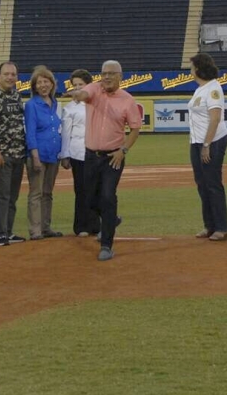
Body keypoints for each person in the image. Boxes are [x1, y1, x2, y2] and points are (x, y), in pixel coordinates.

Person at [69, 60, 141, 261]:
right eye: (104, 73)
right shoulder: (94, 89)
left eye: (111, 73)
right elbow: (85, 94)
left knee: (108, 196)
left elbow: (135, 128)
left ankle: (106, 245)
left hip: (112, 157)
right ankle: (111, 218)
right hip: (91, 156)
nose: (107, 77)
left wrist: (123, 150)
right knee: (89, 199)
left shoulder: (127, 100)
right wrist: (77, 95)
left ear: (121, 76)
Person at [0, 62, 26, 246]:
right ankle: (0, 234)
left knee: (13, 195)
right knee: (2, 195)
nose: (10, 77)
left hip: (18, 153)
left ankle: (8, 231)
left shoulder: (16, 94)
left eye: (13, 74)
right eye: (6, 74)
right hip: (1, 153)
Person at [188, 53, 227, 242]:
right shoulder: (200, 89)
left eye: (192, 67)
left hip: (212, 141)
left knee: (213, 183)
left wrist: (207, 145)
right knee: (202, 184)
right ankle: (209, 225)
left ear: (198, 68)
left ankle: (221, 227)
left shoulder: (213, 88)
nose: (190, 70)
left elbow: (215, 118)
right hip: (196, 142)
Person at [60, 69, 100, 237]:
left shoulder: (97, 103)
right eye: (74, 85)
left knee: (97, 189)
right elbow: (66, 133)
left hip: (96, 152)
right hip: (77, 153)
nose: (77, 88)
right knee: (81, 190)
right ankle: (81, 225)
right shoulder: (69, 108)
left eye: (80, 85)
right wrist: (65, 155)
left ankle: (95, 224)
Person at [25, 66, 63, 240]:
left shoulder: (54, 104)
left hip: (53, 154)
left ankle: (46, 227)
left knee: (48, 192)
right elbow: (30, 132)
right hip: (38, 155)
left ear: (51, 83)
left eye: (45, 81)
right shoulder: (32, 105)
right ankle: (35, 230)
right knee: (36, 193)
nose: (43, 85)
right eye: (39, 82)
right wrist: (35, 156)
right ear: (34, 86)